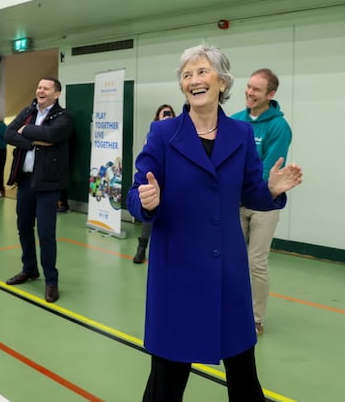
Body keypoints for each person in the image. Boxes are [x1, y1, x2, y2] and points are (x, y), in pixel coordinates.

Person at [127, 45, 302, 401]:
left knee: (243, 377)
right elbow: (135, 193)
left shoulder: (238, 134)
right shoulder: (163, 134)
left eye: (202, 72)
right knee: (166, 381)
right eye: (187, 75)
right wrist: (146, 202)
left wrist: (269, 190)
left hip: (227, 275)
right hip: (177, 273)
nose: (194, 80)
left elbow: (251, 191)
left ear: (222, 81)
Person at [231, 68, 292, 337]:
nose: (249, 92)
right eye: (248, 87)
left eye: (256, 89)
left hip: (264, 205)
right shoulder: (235, 121)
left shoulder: (279, 127)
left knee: (256, 262)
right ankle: (231, 308)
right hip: (236, 203)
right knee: (231, 258)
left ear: (271, 94)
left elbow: (269, 171)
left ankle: (255, 318)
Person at [4, 79, 73, 304]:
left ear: (57, 93)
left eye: (46, 88)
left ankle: (51, 280)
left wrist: (27, 132)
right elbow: (9, 133)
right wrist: (34, 141)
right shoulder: (28, 110)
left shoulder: (64, 117)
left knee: (45, 233)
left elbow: (53, 136)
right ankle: (29, 268)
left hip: (48, 184)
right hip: (25, 181)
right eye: (39, 87)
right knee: (23, 227)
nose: (40, 91)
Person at [132, 103, 175, 264]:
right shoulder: (154, 134)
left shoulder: (177, 132)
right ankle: (141, 249)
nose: (167, 115)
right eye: (163, 113)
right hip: (154, 183)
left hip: (172, 185)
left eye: (169, 113)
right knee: (149, 216)